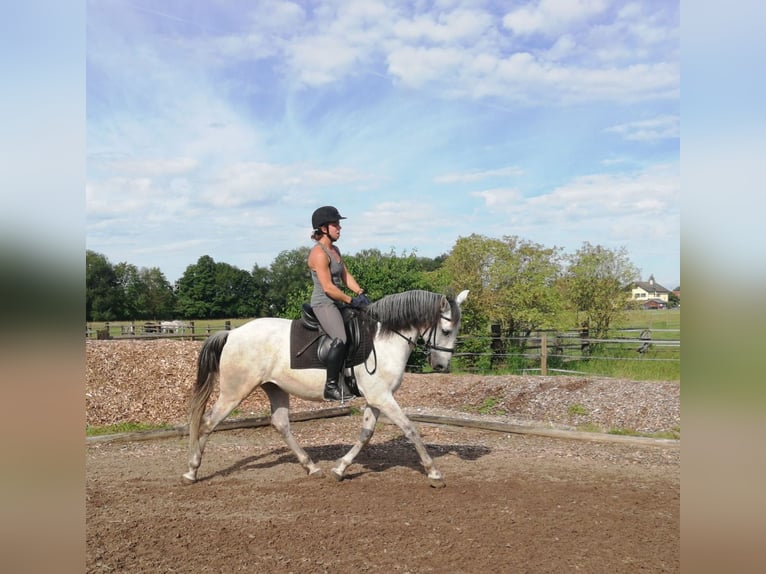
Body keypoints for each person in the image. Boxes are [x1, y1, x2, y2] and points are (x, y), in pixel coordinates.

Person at [308, 206, 370, 401]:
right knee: (340, 339)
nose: (339, 228)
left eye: (339, 224)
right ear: (323, 228)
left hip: (338, 301)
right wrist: (351, 300)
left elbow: (345, 275)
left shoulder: (334, 250)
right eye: (335, 225)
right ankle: (331, 386)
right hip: (324, 303)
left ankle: (352, 379)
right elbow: (328, 287)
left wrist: (360, 292)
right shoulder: (319, 253)